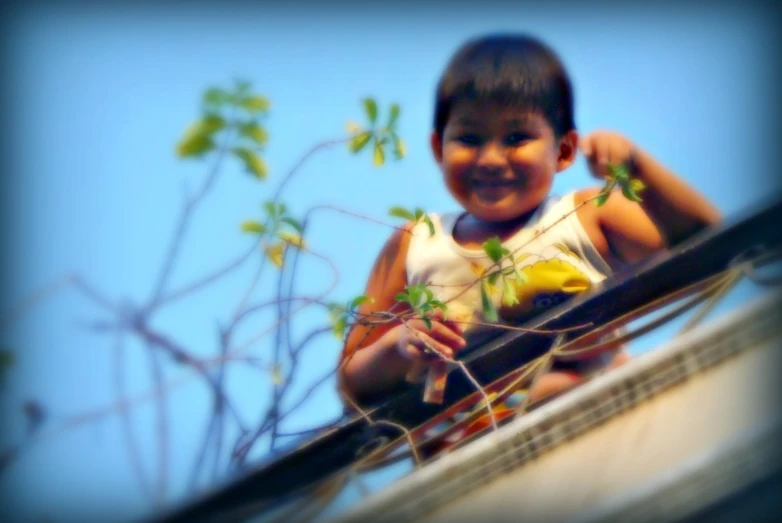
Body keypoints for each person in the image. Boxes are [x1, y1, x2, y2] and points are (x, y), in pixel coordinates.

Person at [337, 34, 720, 412]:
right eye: (469, 138)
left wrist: (636, 165)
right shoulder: (417, 243)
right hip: (465, 462)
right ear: (439, 149)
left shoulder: (586, 216)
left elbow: (709, 242)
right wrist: (398, 345)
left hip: (595, 432)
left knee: (558, 386)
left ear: (565, 150)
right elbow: (351, 385)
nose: (489, 158)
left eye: (517, 137)